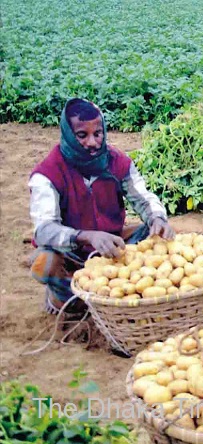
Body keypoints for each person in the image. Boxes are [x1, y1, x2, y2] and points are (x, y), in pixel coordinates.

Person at [29, 98, 174, 315]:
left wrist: (157, 218)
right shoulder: (47, 174)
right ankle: (66, 299)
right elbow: (44, 230)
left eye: (97, 133)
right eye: (82, 135)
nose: (92, 142)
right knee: (45, 262)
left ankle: (124, 292)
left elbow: (143, 198)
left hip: (114, 247)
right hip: (72, 253)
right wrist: (87, 236)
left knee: (159, 236)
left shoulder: (117, 162)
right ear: (68, 134)